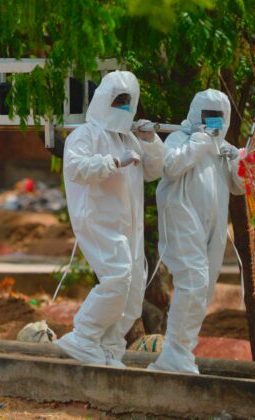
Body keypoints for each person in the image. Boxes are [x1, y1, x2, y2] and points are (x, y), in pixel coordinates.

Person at [54, 70, 165, 366]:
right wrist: (114, 162)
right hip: (99, 219)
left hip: (130, 224)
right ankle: (84, 335)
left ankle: (109, 349)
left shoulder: (130, 137)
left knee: (133, 288)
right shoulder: (85, 135)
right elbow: (77, 169)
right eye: (119, 100)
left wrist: (150, 140)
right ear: (105, 99)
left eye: (129, 101)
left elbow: (155, 170)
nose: (124, 107)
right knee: (117, 279)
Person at [149, 89, 244, 374]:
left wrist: (238, 160)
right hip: (182, 217)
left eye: (219, 117)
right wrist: (200, 141)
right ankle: (174, 352)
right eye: (208, 116)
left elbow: (238, 187)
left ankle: (181, 350)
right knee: (192, 279)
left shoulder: (222, 148)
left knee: (204, 287)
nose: (213, 122)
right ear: (196, 114)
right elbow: (171, 166)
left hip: (213, 226)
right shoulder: (181, 138)